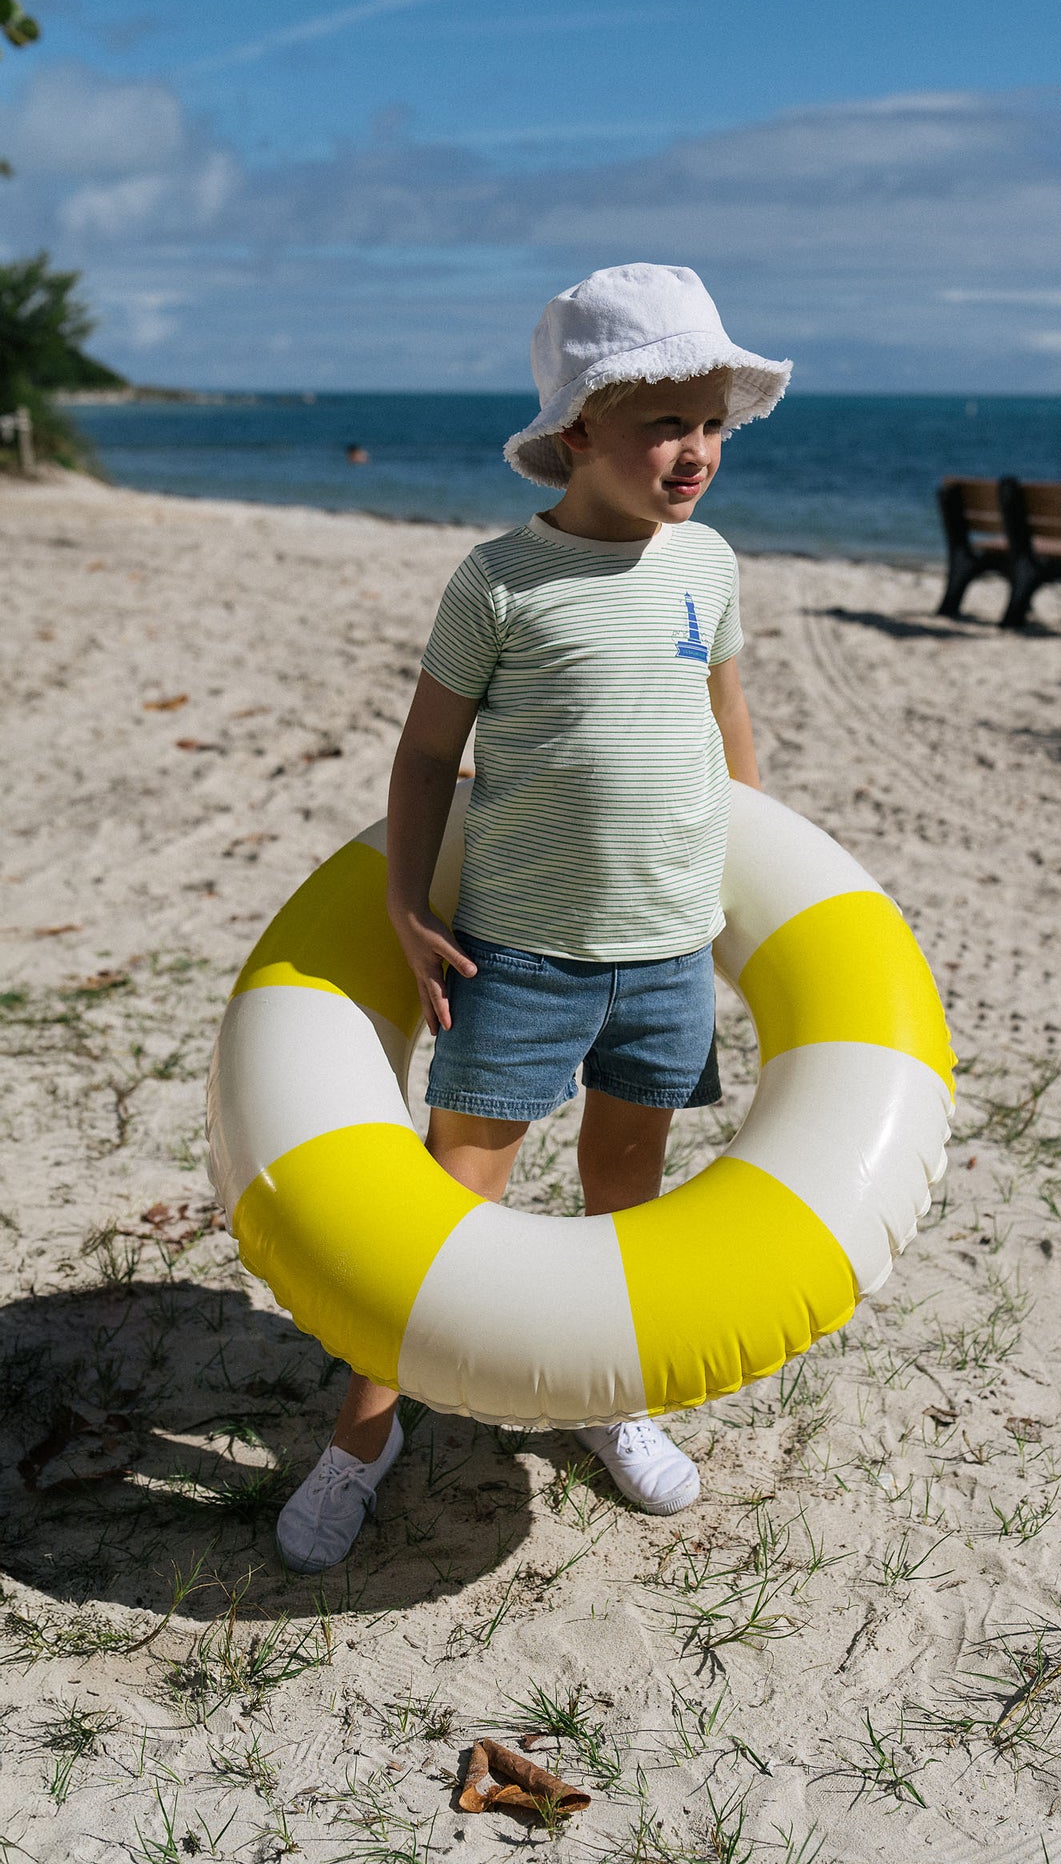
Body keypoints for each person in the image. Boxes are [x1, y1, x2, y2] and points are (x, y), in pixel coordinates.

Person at [277, 263, 791, 1572]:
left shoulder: (709, 563)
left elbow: (725, 717)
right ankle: (363, 1436)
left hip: (666, 951)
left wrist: (753, 874)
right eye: (663, 425)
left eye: (712, 423)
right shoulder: (500, 582)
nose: (696, 452)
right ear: (577, 432)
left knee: (627, 1186)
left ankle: (610, 1401)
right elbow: (423, 757)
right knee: (455, 1198)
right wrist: (403, 901)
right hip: (518, 954)